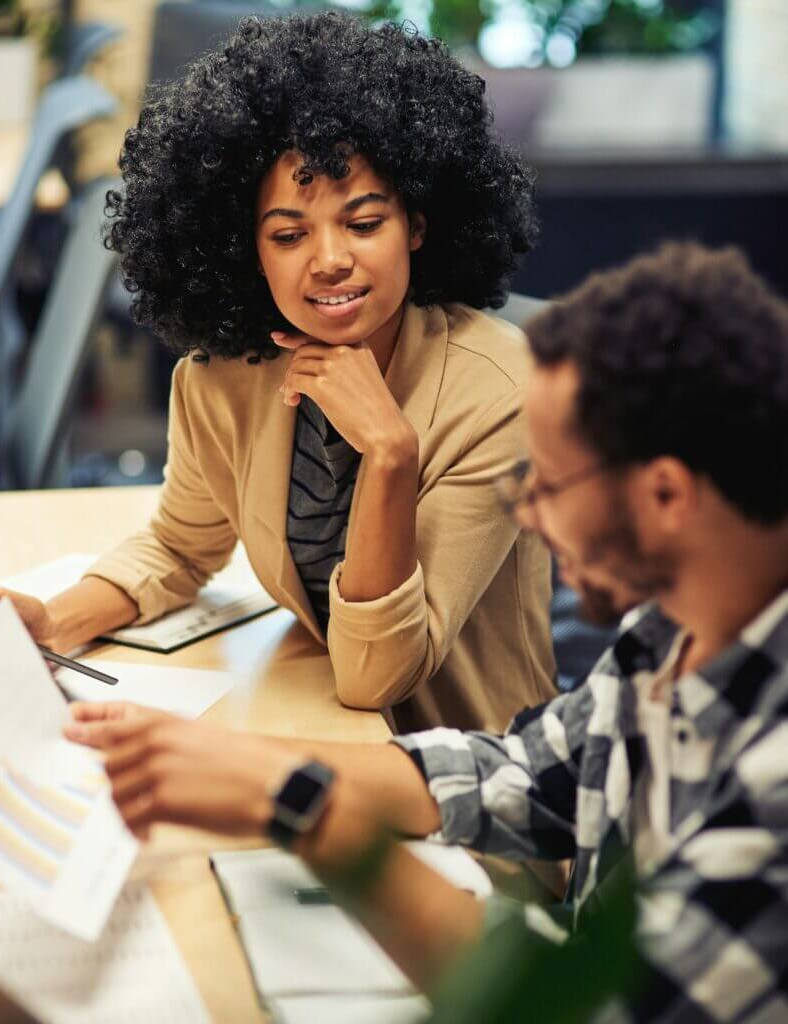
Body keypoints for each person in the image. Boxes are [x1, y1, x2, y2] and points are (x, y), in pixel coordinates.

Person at [65, 243, 788, 1020]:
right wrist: (226, 761)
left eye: (546, 484)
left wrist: (310, 812)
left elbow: (573, 1008)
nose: (530, 515)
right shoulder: (671, 633)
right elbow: (524, 774)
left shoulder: (770, 779)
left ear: (666, 494)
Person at [0, 13, 556, 733]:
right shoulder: (225, 377)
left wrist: (391, 453)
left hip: (469, 788)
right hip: (311, 726)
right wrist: (50, 622)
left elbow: (378, 677)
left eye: (363, 223)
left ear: (417, 225)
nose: (330, 258)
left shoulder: (495, 390)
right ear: (246, 248)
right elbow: (180, 546)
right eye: (288, 234)